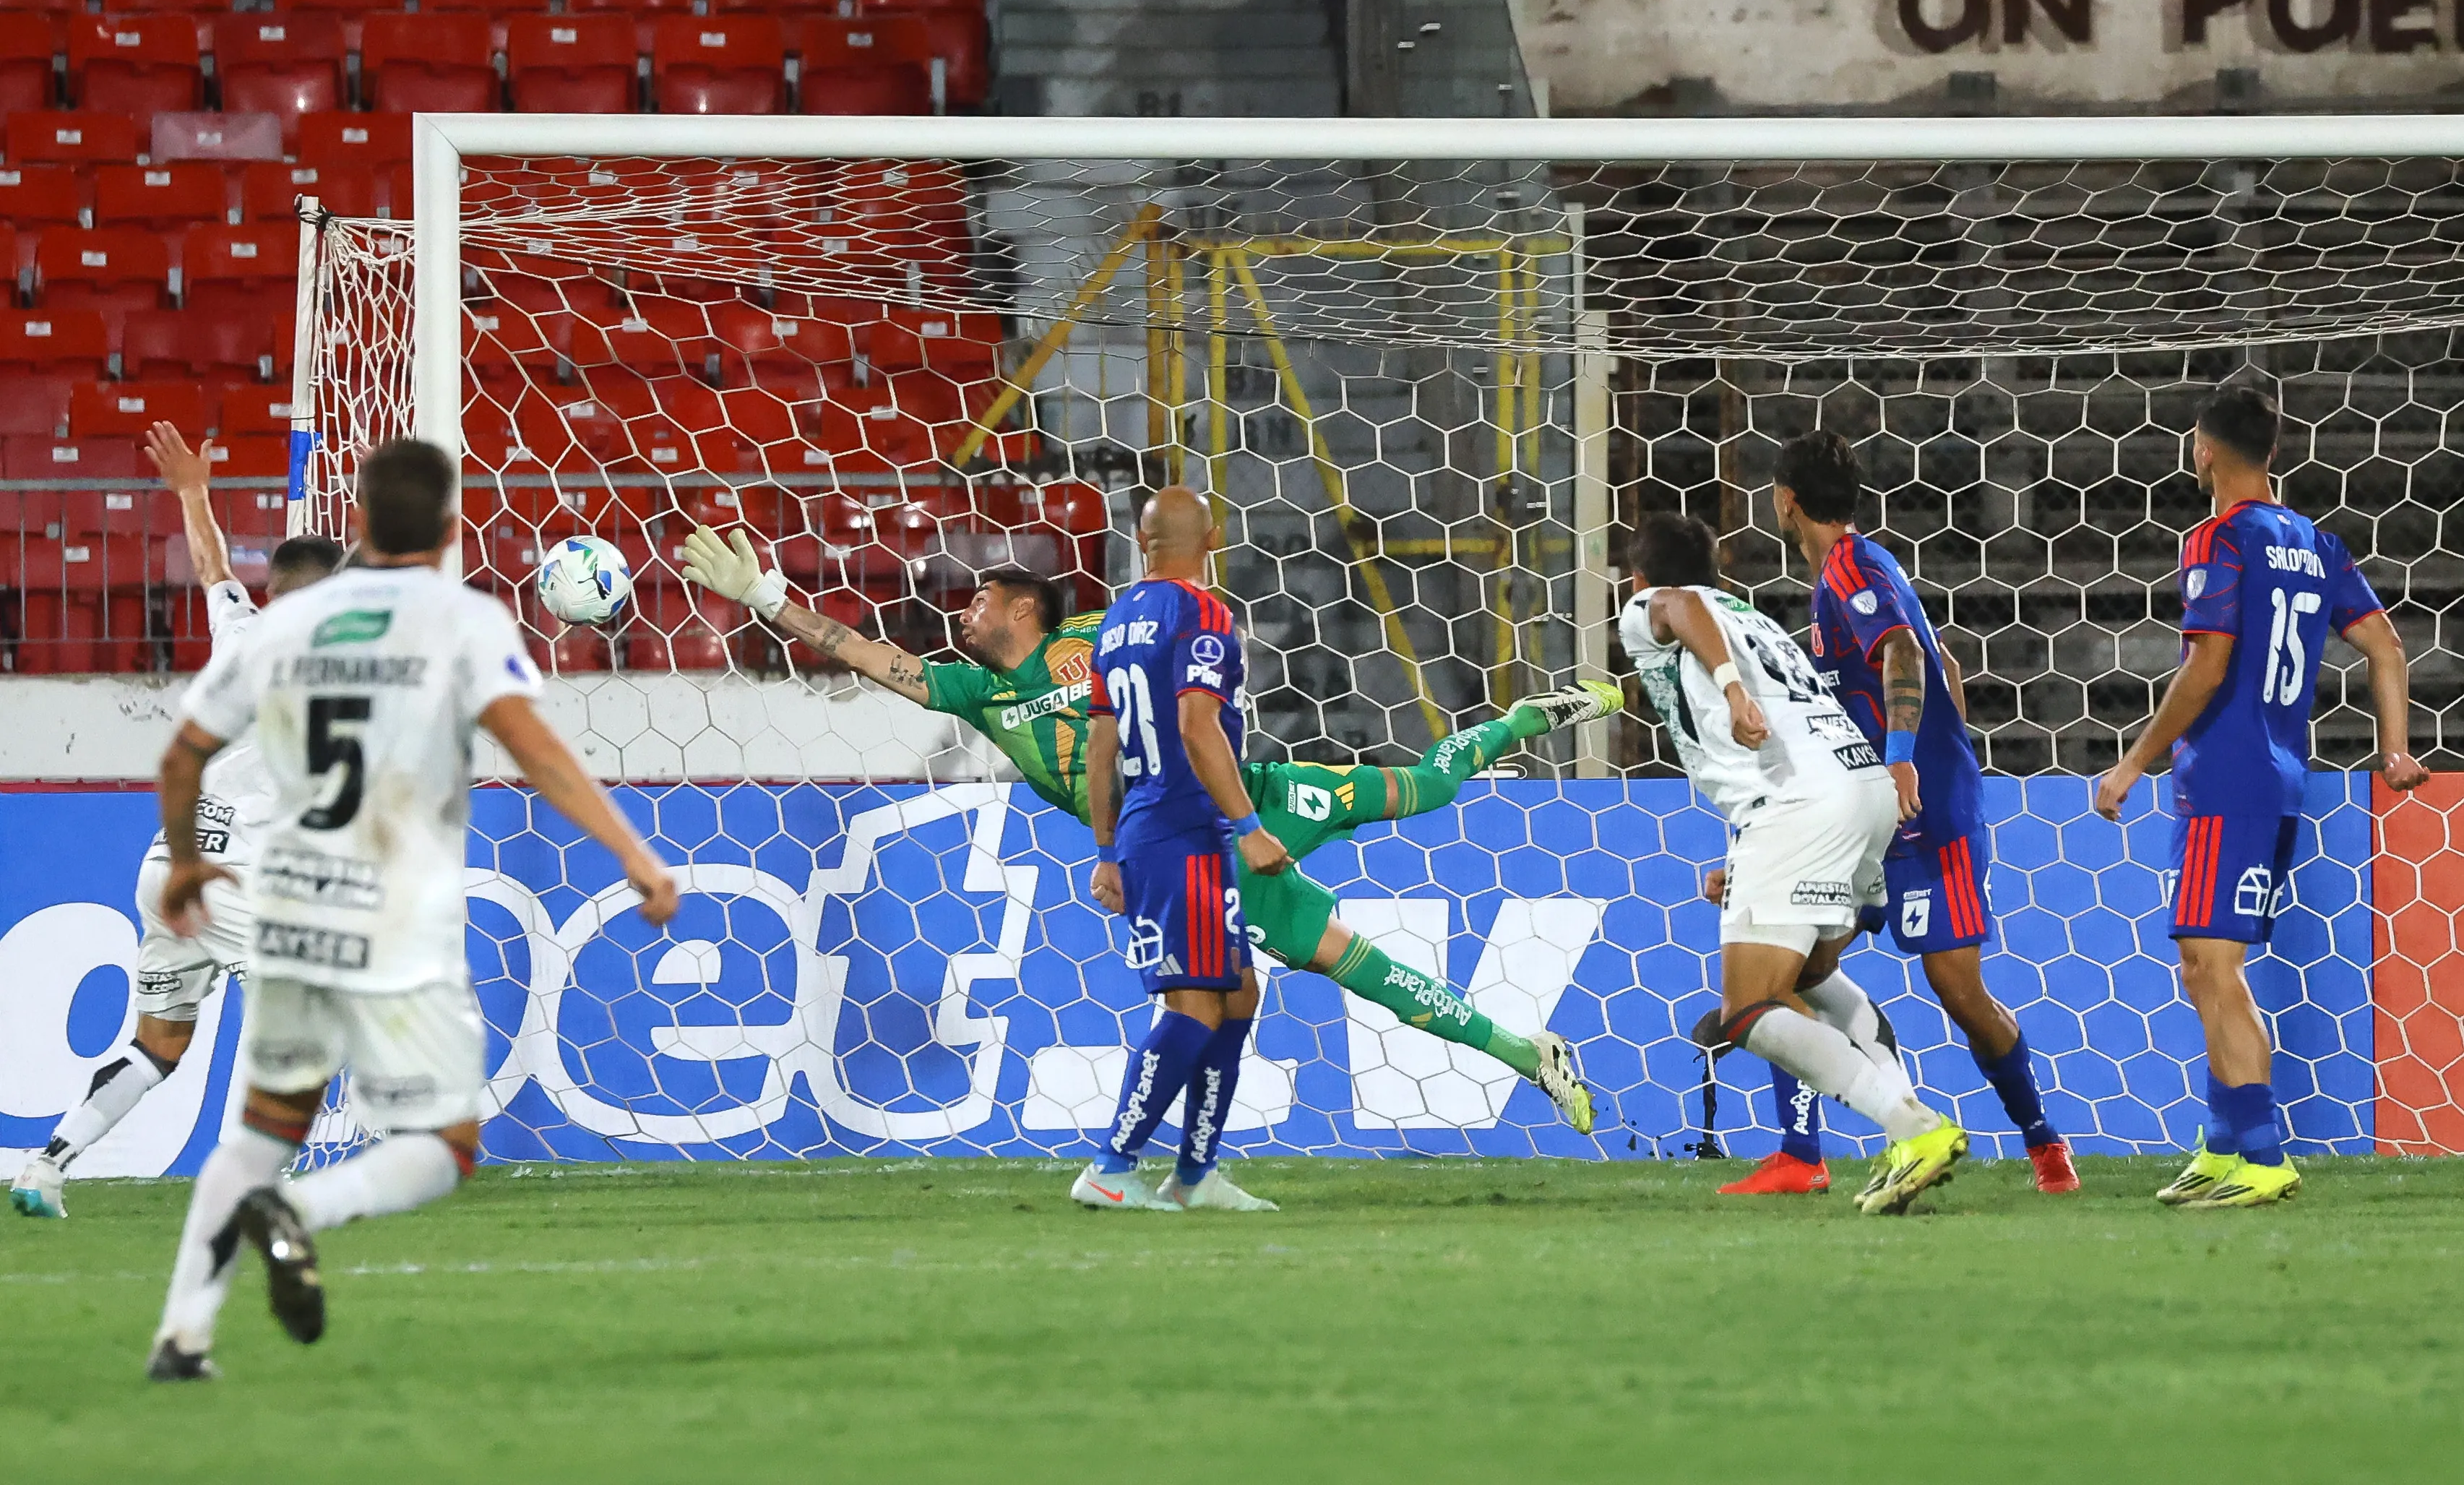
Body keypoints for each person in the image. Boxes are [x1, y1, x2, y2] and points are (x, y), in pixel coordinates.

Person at [673, 525, 1614, 1133]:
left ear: (1023, 606)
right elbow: (865, 654)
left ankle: (1525, 718)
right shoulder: (974, 690)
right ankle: (1526, 1052)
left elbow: (1184, 644)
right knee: (1346, 963)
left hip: (1250, 792)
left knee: (1426, 787)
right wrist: (766, 599)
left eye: (978, 597)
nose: (962, 609)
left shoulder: (1095, 632)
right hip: (1193, 851)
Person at [145, 439, 680, 1381]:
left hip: (286, 906)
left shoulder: (282, 627)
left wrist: (187, 861)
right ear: (448, 531)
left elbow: (184, 752)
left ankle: (182, 1338)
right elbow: (535, 749)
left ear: (355, 522)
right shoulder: (461, 621)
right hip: (392, 918)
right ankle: (300, 1210)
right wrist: (633, 852)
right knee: (443, 1144)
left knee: (264, 1129)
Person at [1713, 431, 2076, 1198]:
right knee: (1797, 970)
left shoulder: (1851, 565)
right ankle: (1807, 1151)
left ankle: (2043, 1141)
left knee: (1960, 993)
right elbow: (1945, 664)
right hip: (1864, 818)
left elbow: (1906, 653)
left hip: (1924, 814)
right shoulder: (1858, 568)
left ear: (1784, 500)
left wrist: (1911, 759)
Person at [2094, 387, 2425, 1210]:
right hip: (2277, 777)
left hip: (2226, 775)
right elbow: (2386, 645)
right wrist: (2393, 749)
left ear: (2204, 451)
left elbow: (2207, 664)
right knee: (2201, 962)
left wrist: (2133, 761)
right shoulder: (2318, 544)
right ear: (2271, 453)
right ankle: (2220, 1145)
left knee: (2213, 964)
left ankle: (2264, 1156)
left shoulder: (2216, 537)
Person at [11, 425, 345, 1221]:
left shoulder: (242, 630)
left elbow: (213, 569)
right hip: (228, 878)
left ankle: (46, 1164)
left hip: (168, 866)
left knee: (158, 1043)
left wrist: (194, 492)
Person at [1619, 512, 1967, 1215]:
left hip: (1802, 807)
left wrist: (1730, 688)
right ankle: (1907, 1129)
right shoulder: (1754, 619)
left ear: (1636, 580)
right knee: (1809, 975)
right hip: (1861, 789)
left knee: (1749, 1007)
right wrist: (1748, 860)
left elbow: (1676, 604)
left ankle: (1912, 1128)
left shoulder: (1658, 607)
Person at [1065, 487, 1287, 1209]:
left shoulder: (1116, 622)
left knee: (1237, 990)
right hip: (1184, 827)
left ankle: (1194, 1174)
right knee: (1194, 1006)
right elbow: (1197, 725)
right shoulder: (1203, 612)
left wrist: (1106, 849)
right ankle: (1111, 1164)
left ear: (1141, 539)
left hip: (1149, 827)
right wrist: (1249, 826)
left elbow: (1100, 745)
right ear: (1214, 537)